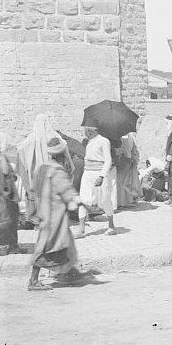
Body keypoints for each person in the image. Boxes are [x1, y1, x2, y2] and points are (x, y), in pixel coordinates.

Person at [27, 138, 92, 291]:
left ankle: (68, 273)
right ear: (63, 153)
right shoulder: (57, 171)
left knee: (64, 244)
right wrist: (80, 202)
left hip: (44, 212)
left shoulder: (41, 168)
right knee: (49, 247)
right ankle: (34, 280)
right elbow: (67, 191)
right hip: (55, 216)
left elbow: (34, 189)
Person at [16, 113, 74, 223]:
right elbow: (64, 149)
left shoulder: (31, 138)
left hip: (36, 174)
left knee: (36, 196)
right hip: (53, 172)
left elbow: (20, 150)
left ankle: (37, 220)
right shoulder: (55, 136)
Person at [77, 126, 115, 237]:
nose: (85, 133)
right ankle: (81, 229)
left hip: (99, 173)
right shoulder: (88, 142)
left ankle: (111, 226)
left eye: (87, 131)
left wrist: (102, 176)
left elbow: (108, 160)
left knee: (105, 200)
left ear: (92, 130)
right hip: (87, 173)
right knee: (83, 200)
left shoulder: (104, 141)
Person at [0, 132, 20, 255]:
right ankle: (10, 246)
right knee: (10, 219)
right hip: (4, 197)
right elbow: (11, 176)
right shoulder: (3, 160)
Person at [115, 132, 140, 208]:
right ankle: (127, 201)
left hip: (122, 161)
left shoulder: (121, 137)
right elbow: (134, 150)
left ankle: (121, 203)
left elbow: (121, 150)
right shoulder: (131, 136)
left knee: (120, 182)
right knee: (126, 182)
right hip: (129, 161)